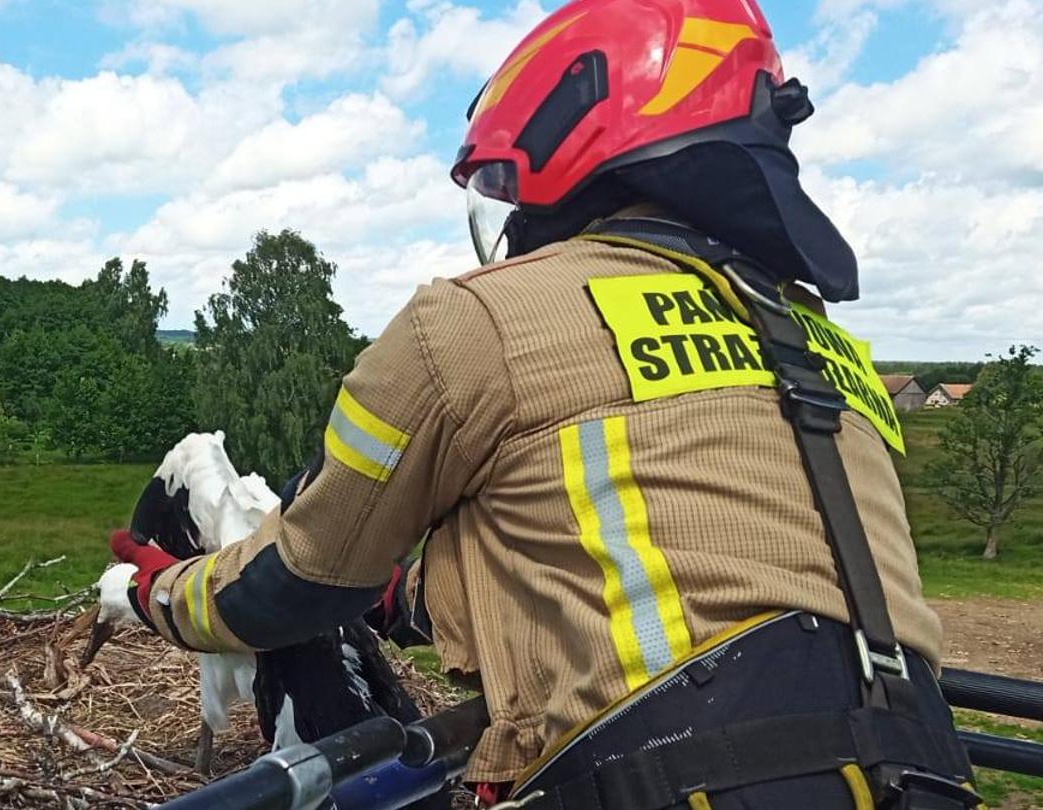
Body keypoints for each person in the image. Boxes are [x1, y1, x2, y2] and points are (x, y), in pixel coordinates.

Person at [109, 0, 979, 806]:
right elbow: (644, 558)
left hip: (678, 779)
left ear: (569, 140)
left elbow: (296, 582)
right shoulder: (817, 345)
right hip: (921, 771)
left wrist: (160, 594)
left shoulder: (475, 322)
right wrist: (408, 602)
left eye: (508, 185)